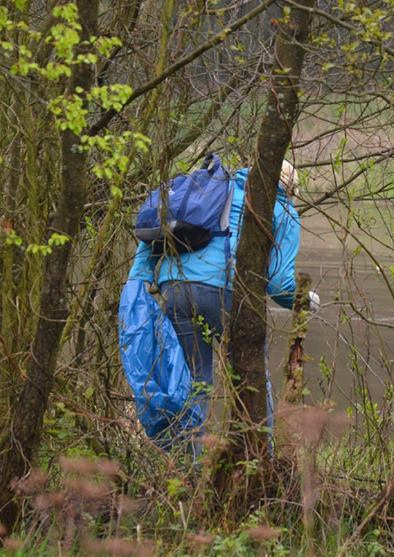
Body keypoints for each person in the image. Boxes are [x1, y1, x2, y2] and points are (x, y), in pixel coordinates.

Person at [128, 159, 315, 452]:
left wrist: (136, 284)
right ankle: (260, 457)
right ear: (290, 190)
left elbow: (155, 236)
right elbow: (280, 284)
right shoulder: (282, 209)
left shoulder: (216, 187)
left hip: (174, 287)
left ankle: (188, 462)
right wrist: (305, 300)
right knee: (251, 375)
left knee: (194, 380)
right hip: (225, 292)